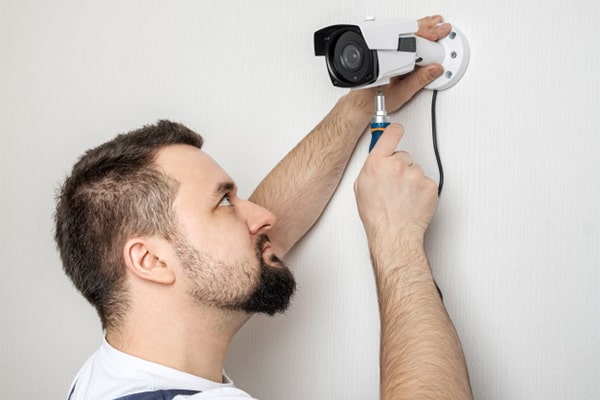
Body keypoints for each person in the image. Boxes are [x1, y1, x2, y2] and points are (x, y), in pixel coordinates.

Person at [54, 15, 472, 400]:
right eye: (223, 202)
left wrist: (360, 106)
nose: (263, 217)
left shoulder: (106, 376)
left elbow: (244, 248)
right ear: (150, 260)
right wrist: (395, 239)